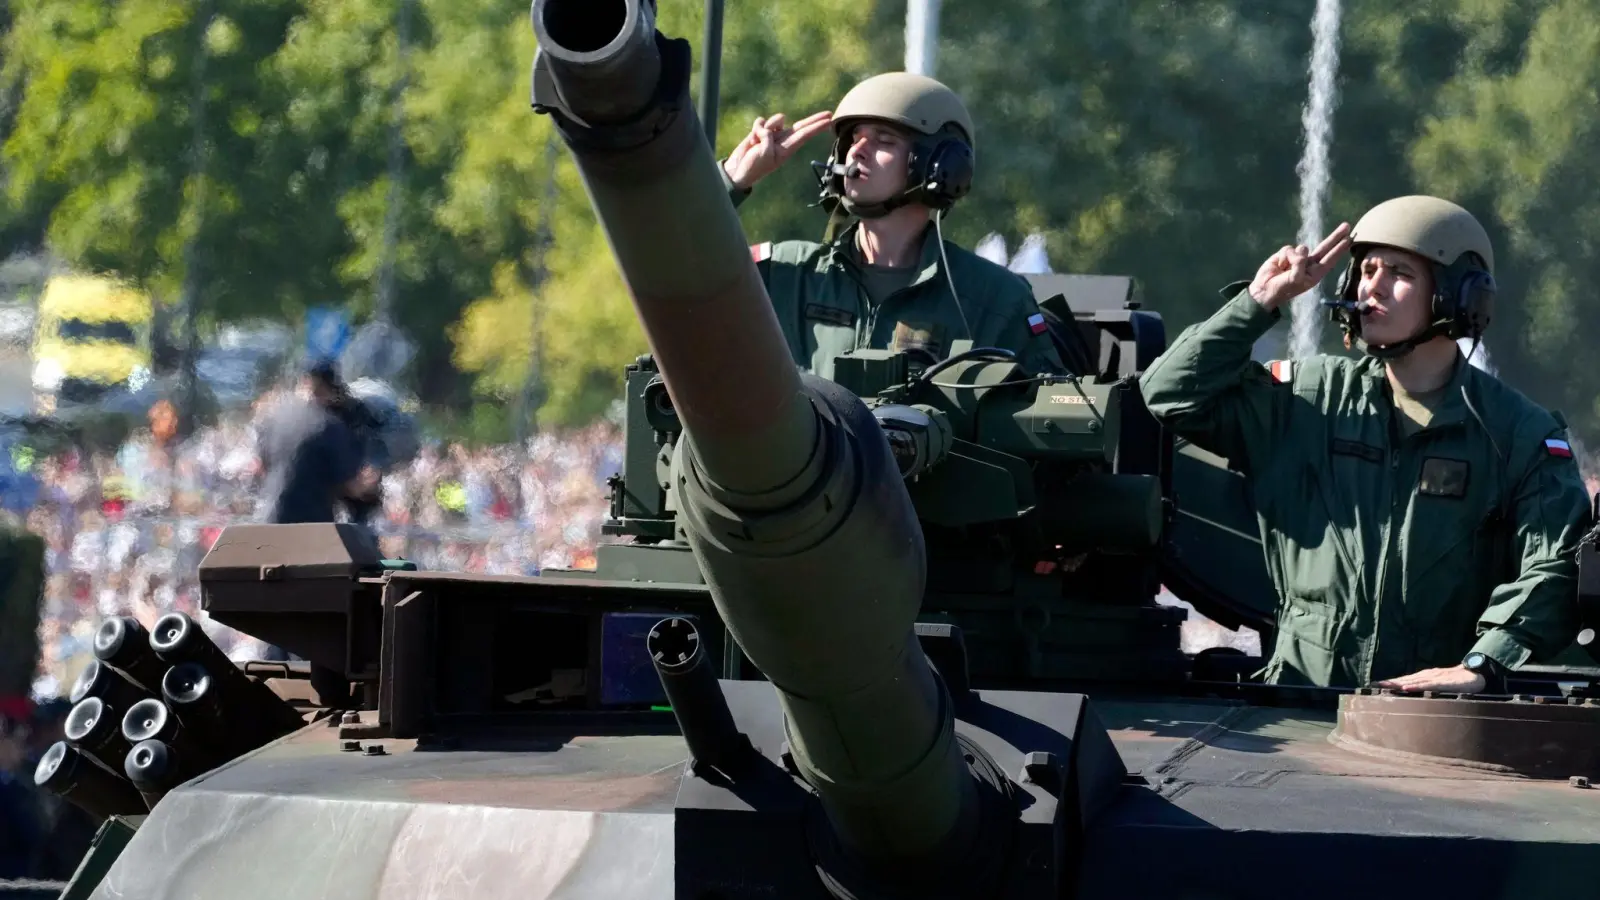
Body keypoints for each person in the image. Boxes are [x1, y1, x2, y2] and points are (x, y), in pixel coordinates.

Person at [1138, 195, 1593, 693]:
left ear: (1458, 295)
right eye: (1367, 269)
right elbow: (1169, 393)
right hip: (1297, 699)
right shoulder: (1308, 401)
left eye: (1399, 272)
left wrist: (1483, 664)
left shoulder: (1515, 433)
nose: (1371, 286)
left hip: (1432, 712)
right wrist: (1258, 301)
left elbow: (1556, 564)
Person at [718, 73, 1065, 380]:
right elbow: (685, 285)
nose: (857, 152)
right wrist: (729, 182)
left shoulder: (995, 299)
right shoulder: (786, 276)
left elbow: (1046, 417)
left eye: (884, 140)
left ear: (938, 166)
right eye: (854, 138)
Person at [255, 359, 379, 526]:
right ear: (329, 389)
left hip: (269, 520)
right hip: (310, 525)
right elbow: (351, 486)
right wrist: (370, 485)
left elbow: (263, 466)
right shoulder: (329, 426)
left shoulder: (273, 419)